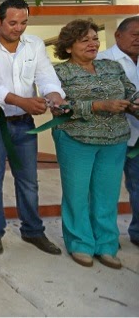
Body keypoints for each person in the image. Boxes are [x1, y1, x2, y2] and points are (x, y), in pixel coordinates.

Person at [0, 0, 65, 256]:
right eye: (12, 23)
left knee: (28, 181)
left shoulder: (34, 44)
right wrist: (22, 101)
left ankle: (33, 231)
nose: (18, 28)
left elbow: (46, 76)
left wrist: (55, 98)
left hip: (24, 125)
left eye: (23, 22)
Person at [51, 19, 134, 269]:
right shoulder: (59, 72)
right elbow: (59, 108)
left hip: (115, 140)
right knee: (77, 195)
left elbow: (130, 91)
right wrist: (99, 106)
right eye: (84, 40)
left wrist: (136, 102)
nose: (92, 43)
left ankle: (107, 245)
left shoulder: (112, 67)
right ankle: (80, 243)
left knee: (107, 195)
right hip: (76, 140)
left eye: (95, 39)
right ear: (68, 47)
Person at [98, 16, 139, 249]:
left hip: (137, 137)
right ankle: (105, 236)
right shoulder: (102, 60)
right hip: (109, 136)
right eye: (134, 34)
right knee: (105, 190)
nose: (138, 40)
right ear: (118, 35)